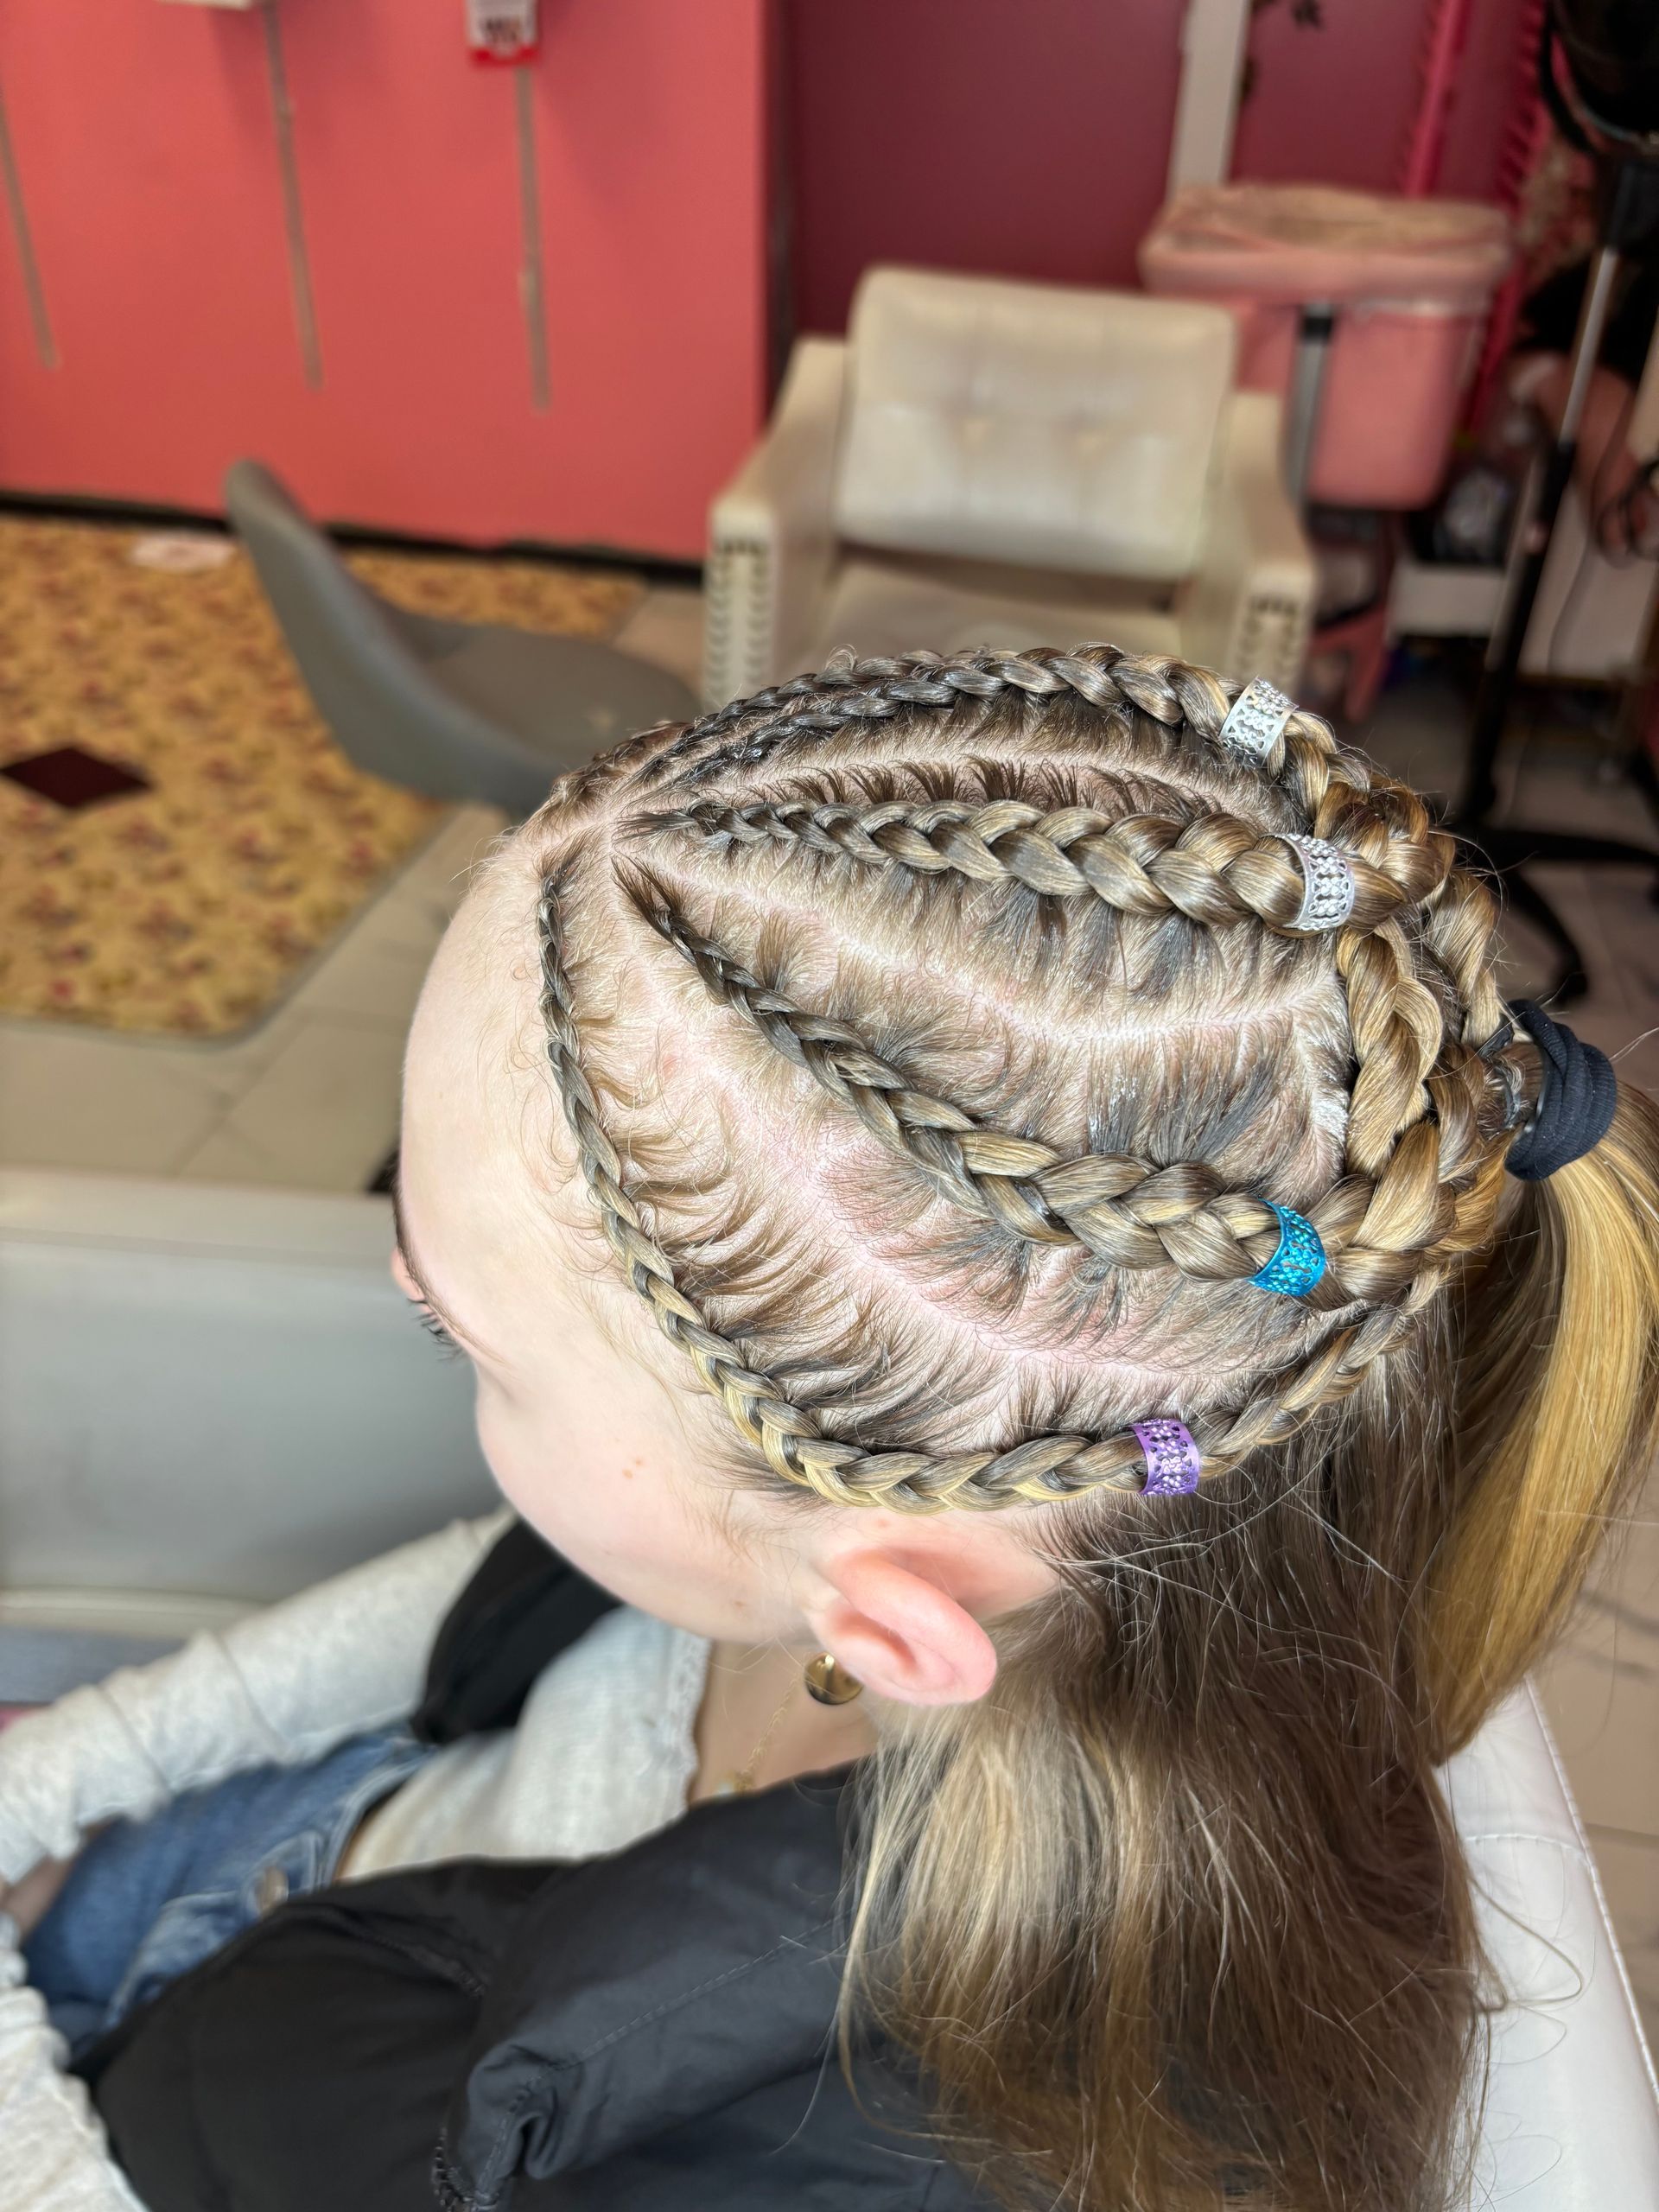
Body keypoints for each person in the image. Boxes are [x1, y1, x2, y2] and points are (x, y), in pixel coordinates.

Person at [2, 643, 1656, 2212]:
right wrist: (58, 1790)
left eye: (469, 1343)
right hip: (224, 1871)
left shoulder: (816, 2151)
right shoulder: (909, 1538)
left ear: (888, 1621)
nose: (401, 1290)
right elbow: (441, 1614)